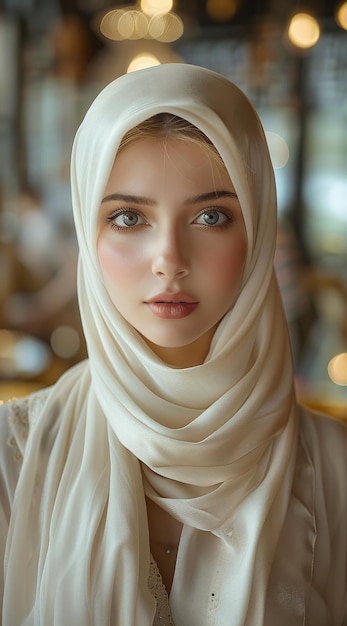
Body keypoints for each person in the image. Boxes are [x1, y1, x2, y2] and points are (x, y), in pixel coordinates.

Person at [0, 63, 346, 626]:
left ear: (257, 230)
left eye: (211, 216)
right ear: (89, 231)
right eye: (129, 217)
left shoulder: (335, 472)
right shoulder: (16, 457)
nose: (169, 260)